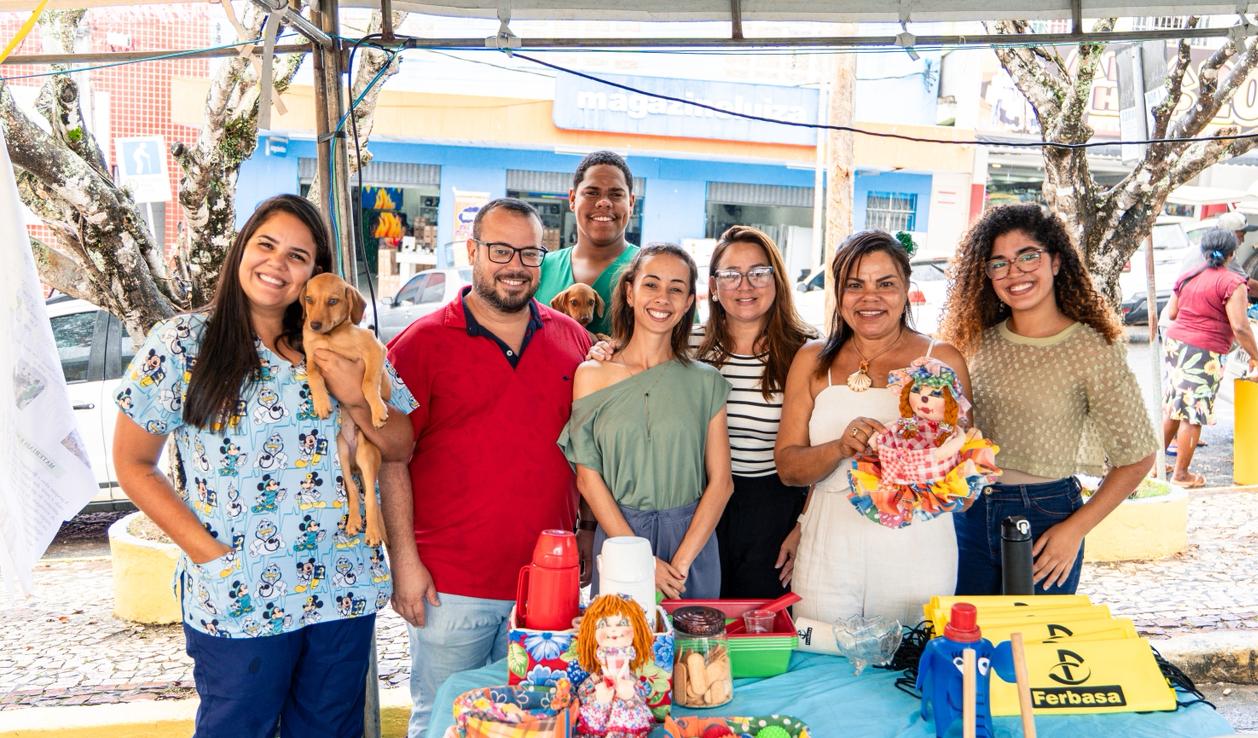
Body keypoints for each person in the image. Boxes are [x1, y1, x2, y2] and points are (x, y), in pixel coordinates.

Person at [112, 194, 417, 738]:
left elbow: (401, 444)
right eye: (267, 245)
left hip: (341, 585)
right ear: (241, 250)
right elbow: (133, 464)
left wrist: (351, 392)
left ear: (315, 276)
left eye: (298, 256)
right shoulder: (184, 343)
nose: (279, 263)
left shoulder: (349, 346)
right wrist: (211, 556)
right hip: (242, 591)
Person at [382, 197, 592, 737]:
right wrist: (404, 562)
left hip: (549, 584)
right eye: (500, 250)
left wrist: (587, 532)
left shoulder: (574, 341)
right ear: (473, 251)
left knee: (541, 722)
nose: (515, 265)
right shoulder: (420, 346)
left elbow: (591, 451)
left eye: (529, 252)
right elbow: (391, 461)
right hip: (451, 586)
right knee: (446, 719)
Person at [941, 203, 1157, 596]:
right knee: (968, 649)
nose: (1015, 272)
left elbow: (1138, 456)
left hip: (1045, 521)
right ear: (986, 275)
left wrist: (1075, 530)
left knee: (1034, 648)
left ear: (1056, 261)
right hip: (966, 516)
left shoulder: (1090, 348)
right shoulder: (975, 343)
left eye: (1028, 257)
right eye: (998, 263)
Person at [775, 230, 970, 627]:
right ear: (839, 293)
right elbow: (788, 468)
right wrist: (839, 448)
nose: (870, 298)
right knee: (821, 659)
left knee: (909, 668)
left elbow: (966, 481)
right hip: (828, 547)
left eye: (885, 284)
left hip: (918, 547)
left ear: (906, 289)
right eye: (855, 285)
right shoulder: (811, 359)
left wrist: (915, 459)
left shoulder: (942, 359)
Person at [560, 243, 734, 600]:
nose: (663, 298)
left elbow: (722, 483)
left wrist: (681, 562)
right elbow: (589, 480)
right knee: (619, 650)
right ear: (630, 291)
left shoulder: (706, 381)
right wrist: (641, 559)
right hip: (620, 537)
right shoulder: (591, 374)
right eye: (651, 284)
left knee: (694, 655)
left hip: (693, 542)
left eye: (676, 288)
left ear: (688, 302)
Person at [692, 226, 817, 599]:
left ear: (776, 279)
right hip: (699, 505)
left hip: (774, 509)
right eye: (731, 274)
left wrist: (803, 526)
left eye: (758, 272)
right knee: (700, 622)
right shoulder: (688, 346)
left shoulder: (808, 351)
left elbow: (822, 451)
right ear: (714, 287)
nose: (745, 285)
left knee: (758, 627)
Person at [1162, 228, 1258, 487]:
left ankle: (1155, 469)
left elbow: (1172, 312)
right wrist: (1255, 355)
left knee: (1174, 406)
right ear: (1232, 253)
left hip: (1175, 345)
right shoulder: (1232, 282)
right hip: (1203, 351)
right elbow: (1240, 326)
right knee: (1194, 412)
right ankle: (1181, 475)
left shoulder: (1188, 275)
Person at [535, 151, 639, 335]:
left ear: (631, 203)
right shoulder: (539, 269)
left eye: (616, 194)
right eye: (591, 193)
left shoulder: (652, 271)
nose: (604, 202)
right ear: (573, 199)